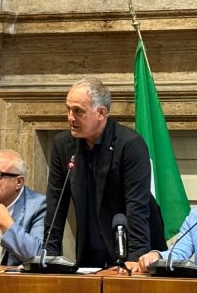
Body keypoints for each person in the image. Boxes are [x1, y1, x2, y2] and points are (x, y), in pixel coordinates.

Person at [43, 77, 156, 267]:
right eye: (68, 109)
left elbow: (136, 206)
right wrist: (49, 255)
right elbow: (55, 202)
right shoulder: (63, 145)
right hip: (89, 249)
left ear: (101, 113)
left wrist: (136, 257)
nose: (70, 117)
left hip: (129, 248)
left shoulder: (130, 144)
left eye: (78, 111)